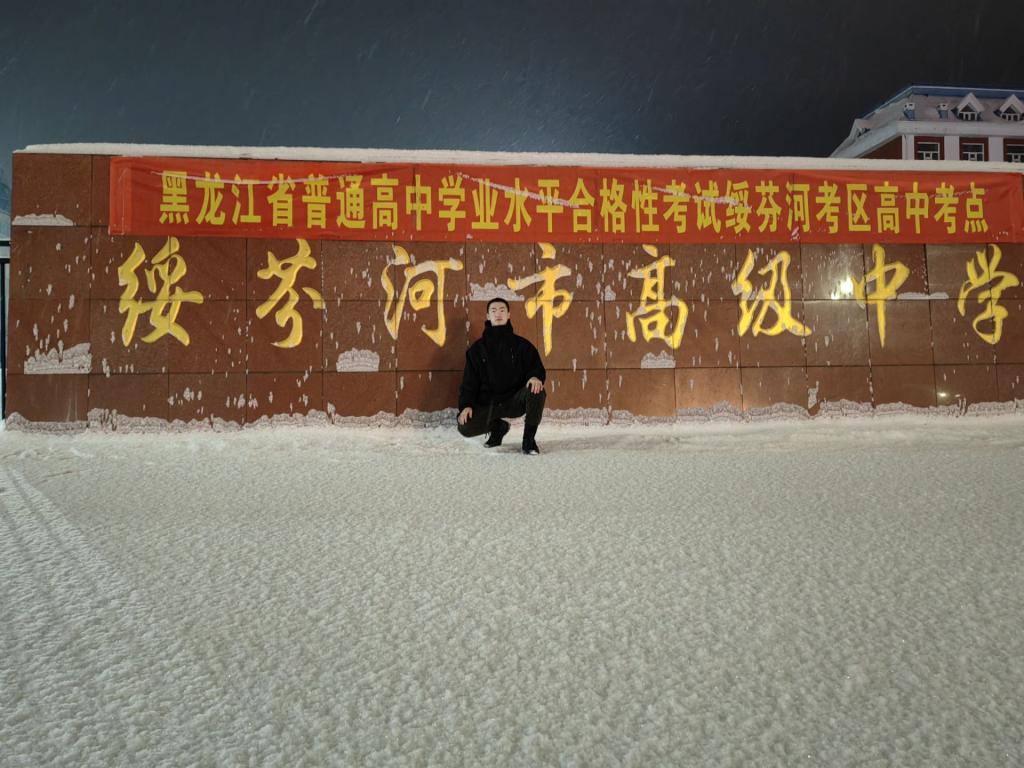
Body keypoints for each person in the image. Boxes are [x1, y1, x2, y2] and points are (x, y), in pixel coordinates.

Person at [457, 297, 546, 454]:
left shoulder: (522, 346)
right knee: (465, 426)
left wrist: (535, 376)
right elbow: (469, 383)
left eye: (502, 310)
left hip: (514, 401)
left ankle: (529, 441)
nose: (498, 314)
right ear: (488, 316)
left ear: (508, 314)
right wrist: (466, 405)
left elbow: (536, 367)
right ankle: (498, 428)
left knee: (537, 390)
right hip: (488, 404)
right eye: (493, 311)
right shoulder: (477, 350)